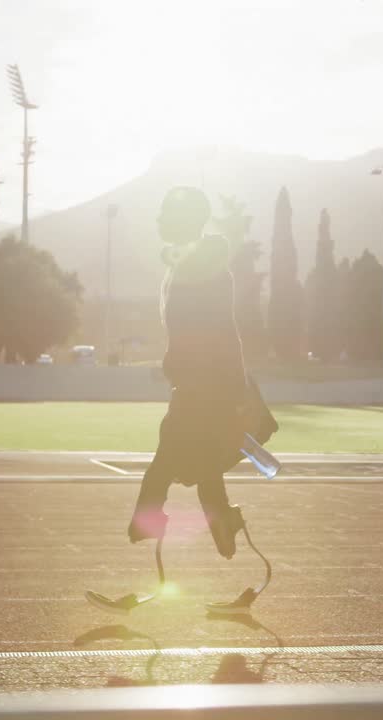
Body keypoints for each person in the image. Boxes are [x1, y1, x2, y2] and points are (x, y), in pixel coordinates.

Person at [128, 186, 253, 559]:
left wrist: (236, 390)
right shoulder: (182, 266)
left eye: (165, 215)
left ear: (185, 222)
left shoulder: (203, 270)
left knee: (171, 451)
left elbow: (222, 332)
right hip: (197, 381)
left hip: (206, 383)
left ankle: (148, 520)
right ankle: (222, 522)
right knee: (202, 458)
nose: (158, 221)